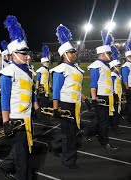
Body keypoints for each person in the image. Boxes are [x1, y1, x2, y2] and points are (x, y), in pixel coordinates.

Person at [0, 15, 43, 180]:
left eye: (27, 53)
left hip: (27, 117)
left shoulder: (28, 71)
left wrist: (37, 107)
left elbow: (31, 92)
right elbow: (5, 99)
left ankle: (5, 165)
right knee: (22, 155)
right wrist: (6, 122)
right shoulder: (8, 72)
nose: (27, 56)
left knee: (23, 149)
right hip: (16, 119)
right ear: (14, 54)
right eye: (23, 53)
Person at [49, 24, 84, 169]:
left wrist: (85, 98)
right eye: (72, 52)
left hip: (75, 103)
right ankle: (68, 160)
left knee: (71, 131)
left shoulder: (75, 68)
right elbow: (56, 90)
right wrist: (56, 108)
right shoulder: (60, 69)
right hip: (65, 104)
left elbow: (77, 86)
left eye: (74, 52)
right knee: (69, 133)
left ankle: (54, 145)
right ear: (65, 55)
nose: (74, 54)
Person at [87, 30, 119, 151]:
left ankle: (88, 134)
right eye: (109, 53)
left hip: (107, 96)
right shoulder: (96, 65)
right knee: (103, 121)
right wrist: (94, 98)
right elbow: (93, 83)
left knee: (102, 120)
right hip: (101, 97)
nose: (111, 56)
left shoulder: (105, 65)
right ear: (103, 53)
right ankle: (105, 142)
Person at [109, 45, 124, 134]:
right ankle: (114, 128)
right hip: (114, 96)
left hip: (118, 95)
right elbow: (111, 86)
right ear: (114, 66)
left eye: (119, 66)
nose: (119, 67)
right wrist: (114, 96)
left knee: (117, 112)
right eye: (118, 66)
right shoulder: (113, 75)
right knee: (114, 113)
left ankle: (115, 126)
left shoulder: (118, 75)